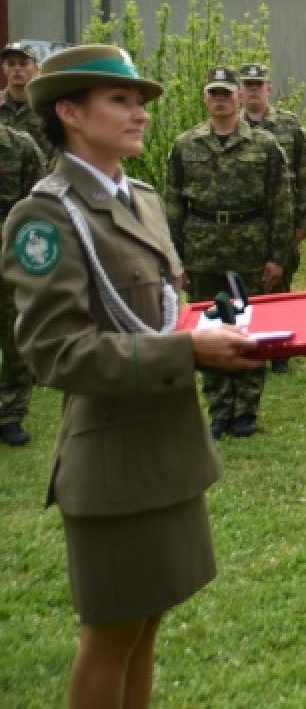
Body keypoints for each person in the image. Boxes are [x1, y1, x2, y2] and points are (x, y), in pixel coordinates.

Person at [2, 44, 261, 709]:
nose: (139, 113)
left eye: (140, 101)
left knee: (146, 628)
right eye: (120, 100)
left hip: (165, 448)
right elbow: (54, 352)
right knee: (110, 638)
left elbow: (160, 313)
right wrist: (188, 355)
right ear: (70, 112)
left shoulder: (139, 199)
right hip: (113, 462)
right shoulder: (47, 215)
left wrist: (213, 330)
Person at [164, 66, 294, 438]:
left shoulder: (266, 145)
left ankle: (247, 411)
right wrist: (176, 259)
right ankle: (220, 408)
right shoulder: (185, 145)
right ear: (205, 98)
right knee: (209, 330)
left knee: (251, 329)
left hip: (249, 248)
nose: (220, 99)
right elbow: (173, 204)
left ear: (238, 96)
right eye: (213, 93)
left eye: (226, 93)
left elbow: (280, 204)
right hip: (202, 251)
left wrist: (276, 257)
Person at [239, 61, 306, 374]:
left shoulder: (288, 125)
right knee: (245, 286)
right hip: (244, 224)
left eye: (259, 85)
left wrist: (303, 221)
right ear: (240, 92)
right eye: (248, 86)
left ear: (269, 89)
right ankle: (249, 346)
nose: (254, 91)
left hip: (281, 221)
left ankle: (280, 353)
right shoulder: (232, 126)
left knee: (280, 285)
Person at [0, 119, 45, 446]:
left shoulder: (21, 145)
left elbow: (37, 204)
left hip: (9, 251)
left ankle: (11, 412)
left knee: (14, 331)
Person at [1, 41, 53, 165]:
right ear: (4, 68)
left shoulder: (46, 107)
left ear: (36, 67)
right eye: (11, 64)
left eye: (23, 64)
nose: (17, 68)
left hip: (38, 179)